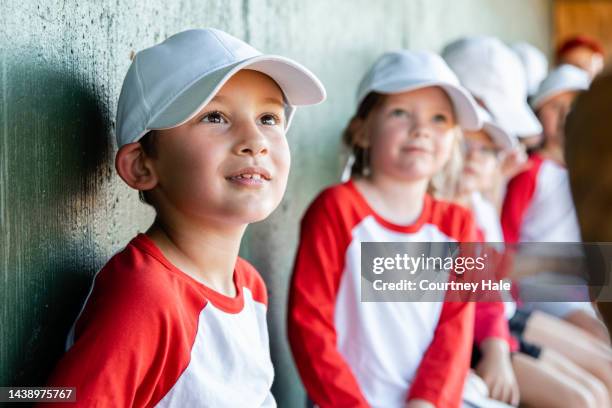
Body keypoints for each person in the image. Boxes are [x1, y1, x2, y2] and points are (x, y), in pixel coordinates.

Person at [44, 28, 326, 407]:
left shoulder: (248, 287)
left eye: (269, 118)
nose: (255, 139)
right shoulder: (146, 297)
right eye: (215, 116)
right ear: (142, 166)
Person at [288, 50, 483, 408]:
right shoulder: (336, 209)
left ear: (454, 140)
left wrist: (427, 401)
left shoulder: (458, 224)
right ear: (362, 131)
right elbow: (308, 325)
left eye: (439, 118)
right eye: (400, 113)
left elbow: (454, 329)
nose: (421, 129)